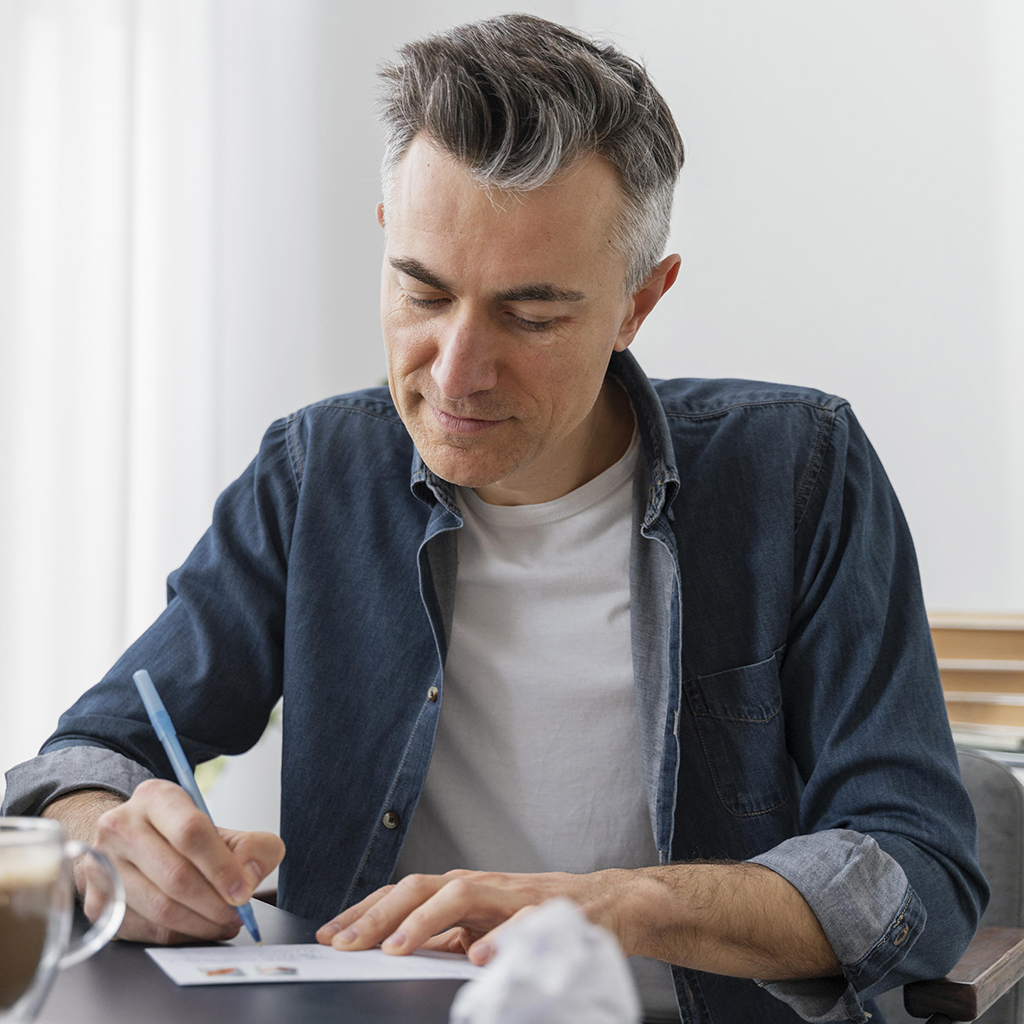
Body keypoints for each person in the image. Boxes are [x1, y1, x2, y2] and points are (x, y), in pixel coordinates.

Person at [2, 14, 985, 1024]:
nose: (456, 370)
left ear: (639, 303)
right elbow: (89, 753)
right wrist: (104, 832)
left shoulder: (799, 473)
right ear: (385, 236)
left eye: (531, 315)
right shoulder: (313, 475)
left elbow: (914, 863)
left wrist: (608, 904)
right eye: (421, 291)